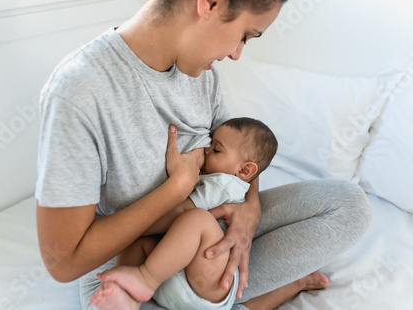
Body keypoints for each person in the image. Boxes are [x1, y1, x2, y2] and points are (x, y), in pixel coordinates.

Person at [35, 0, 372, 310]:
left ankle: (227, 297)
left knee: (349, 205)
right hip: (131, 266)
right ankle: (275, 290)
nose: (237, 53)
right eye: (244, 35)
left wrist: (249, 212)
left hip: (210, 250)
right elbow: (63, 262)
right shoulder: (79, 91)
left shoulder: (201, 74)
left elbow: (243, 156)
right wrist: (175, 190)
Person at [91, 117, 280, 309]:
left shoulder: (225, 184)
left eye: (216, 149)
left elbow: (182, 209)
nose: (207, 150)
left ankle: (144, 280)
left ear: (245, 170)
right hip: (173, 275)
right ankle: (127, 294)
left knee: (196, 218)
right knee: (139, 245)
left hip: (209, 278)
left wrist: (134, 230)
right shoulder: (217, 175)